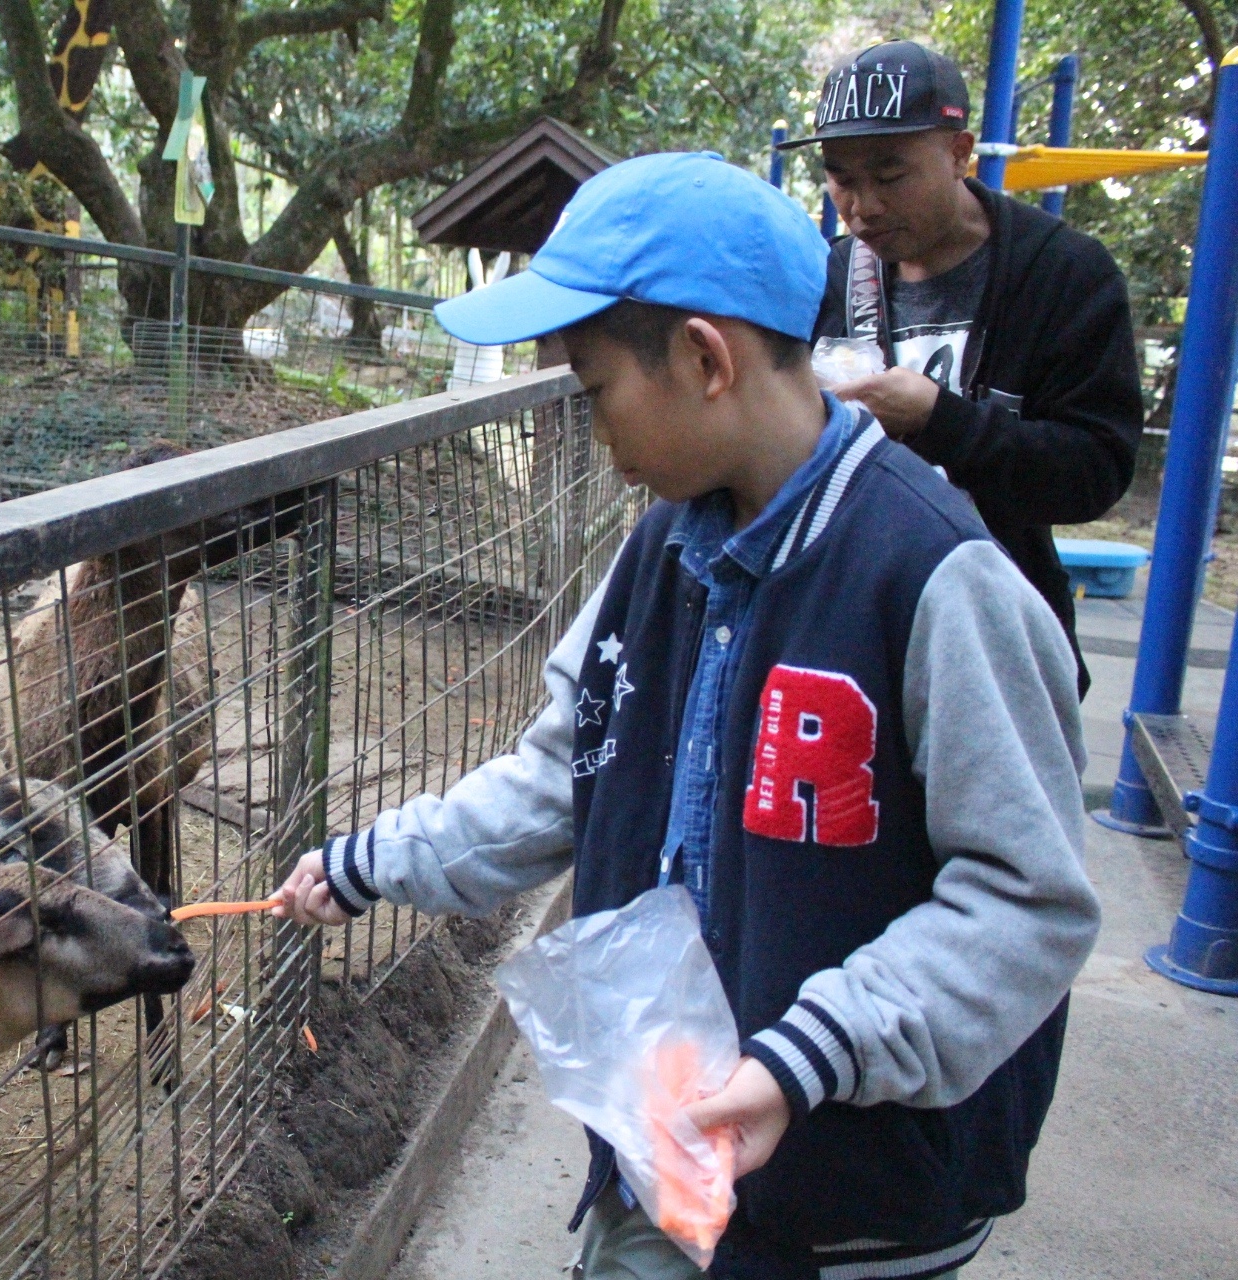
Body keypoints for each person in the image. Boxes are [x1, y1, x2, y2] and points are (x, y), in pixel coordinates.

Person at [272, 152, 1100, 1280]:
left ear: (706, 358)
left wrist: (808, 1054)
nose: (593, 430)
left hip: (850, 1207)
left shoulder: (936, 579)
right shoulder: (661, 550)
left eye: (596, 388)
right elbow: (564, 773)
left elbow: (1027, 902)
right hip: (673, 1160)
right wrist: (375, 861)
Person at [780, 40, 1144, 697]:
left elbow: (1096, 473)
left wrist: (939, 421)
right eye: (840, 178)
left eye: (889, 175)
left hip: (999, 650)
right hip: (849, 642)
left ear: (958, 152)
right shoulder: (829, 276)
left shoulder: (1063, 275)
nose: (862, 205)